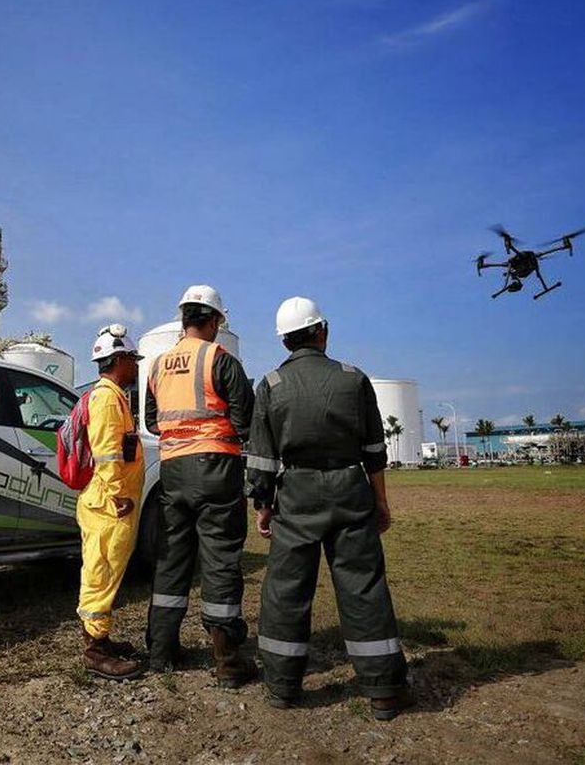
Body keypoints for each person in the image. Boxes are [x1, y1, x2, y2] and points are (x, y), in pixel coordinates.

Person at [246, 296, 414, 720]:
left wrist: (264, 507)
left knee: (286, 587)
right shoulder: (353, 379)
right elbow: (374, 450)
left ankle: (282, 687)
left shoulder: (270, 385)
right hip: (350, 489)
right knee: (363, 585)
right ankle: (383, 690)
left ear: (284, 340)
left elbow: (262, 461)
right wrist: (380, 501)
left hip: (296, 494)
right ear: (322, 331)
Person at [144, 285, 256, 688]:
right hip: (217, 468)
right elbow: (246, 420)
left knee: (172, 557)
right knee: (220, 558)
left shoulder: (158, 365)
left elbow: (153, 420)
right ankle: (227, 661)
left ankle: (161, 652)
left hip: (173, 470)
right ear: (215, 320)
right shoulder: (220, 359)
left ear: (183, 318)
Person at [77, 324, 146, 681]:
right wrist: (118, 495)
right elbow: (106, 454)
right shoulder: (106, 399)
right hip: (108, 504)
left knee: (105, 571)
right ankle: (95, 651)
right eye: (133, 359)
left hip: (108, 502)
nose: (136, 365)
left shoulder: (113, 396)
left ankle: (100, 638)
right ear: (119, 360)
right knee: (100, 573)